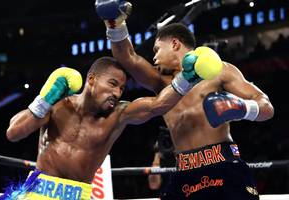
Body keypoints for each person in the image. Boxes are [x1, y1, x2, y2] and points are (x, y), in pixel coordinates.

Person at [96, 1, 275, 199]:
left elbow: (266, 105)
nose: (154, 58)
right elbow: (127, 56)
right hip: (184, 173)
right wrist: (115, 24)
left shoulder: (220, 71)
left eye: (157, 50)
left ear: (174, 43)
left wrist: (242, 107)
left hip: (224, 166)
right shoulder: (161, 83)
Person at [2, 53, 222, 200]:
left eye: (122, 88)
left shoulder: (118, 115)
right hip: (37, 191)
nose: (117, 94)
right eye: (112, 84)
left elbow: (156, 105)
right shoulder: (58, 103)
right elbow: (14, 132)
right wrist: (45, 99)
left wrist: (186, 79)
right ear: (91, 80)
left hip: (78, 195)